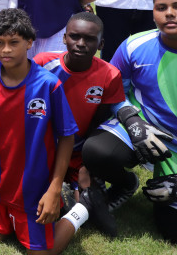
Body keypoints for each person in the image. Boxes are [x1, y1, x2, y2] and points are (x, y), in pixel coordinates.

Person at [0, 8, 110, 253]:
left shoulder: (48, 84)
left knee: (42, 252)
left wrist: (54, 189)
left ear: (29, 43)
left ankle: (81, 209)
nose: (5, 50)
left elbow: (66, 137)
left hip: (34, 189)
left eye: (14, 42)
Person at [82, 0, 177, 247]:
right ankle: (126, 183)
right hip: (143, 127)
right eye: (161, 8)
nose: (169, 13)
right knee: (98, 151)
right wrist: (131, 118)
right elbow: (113, 91)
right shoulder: (134, 45)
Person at [33, 12, 123, 236]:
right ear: (65, 38)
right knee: (41, 204)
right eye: (74, 36)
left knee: (97, 221)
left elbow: (98, 122)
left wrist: (86, 163)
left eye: (90, 39)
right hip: (44, 148)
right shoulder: (42, 63)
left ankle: (121, 183)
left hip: (78, 151)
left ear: (101, 44)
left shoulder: (110, 74)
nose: (81, 43)